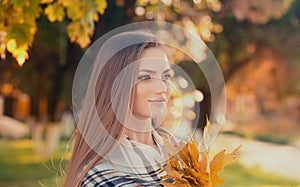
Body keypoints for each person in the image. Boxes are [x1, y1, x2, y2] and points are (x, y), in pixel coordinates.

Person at [64, 30, 178, 187]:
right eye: (145, 77)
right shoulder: (103, 176)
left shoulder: (177, 150)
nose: (162, 88)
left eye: (166, 76)